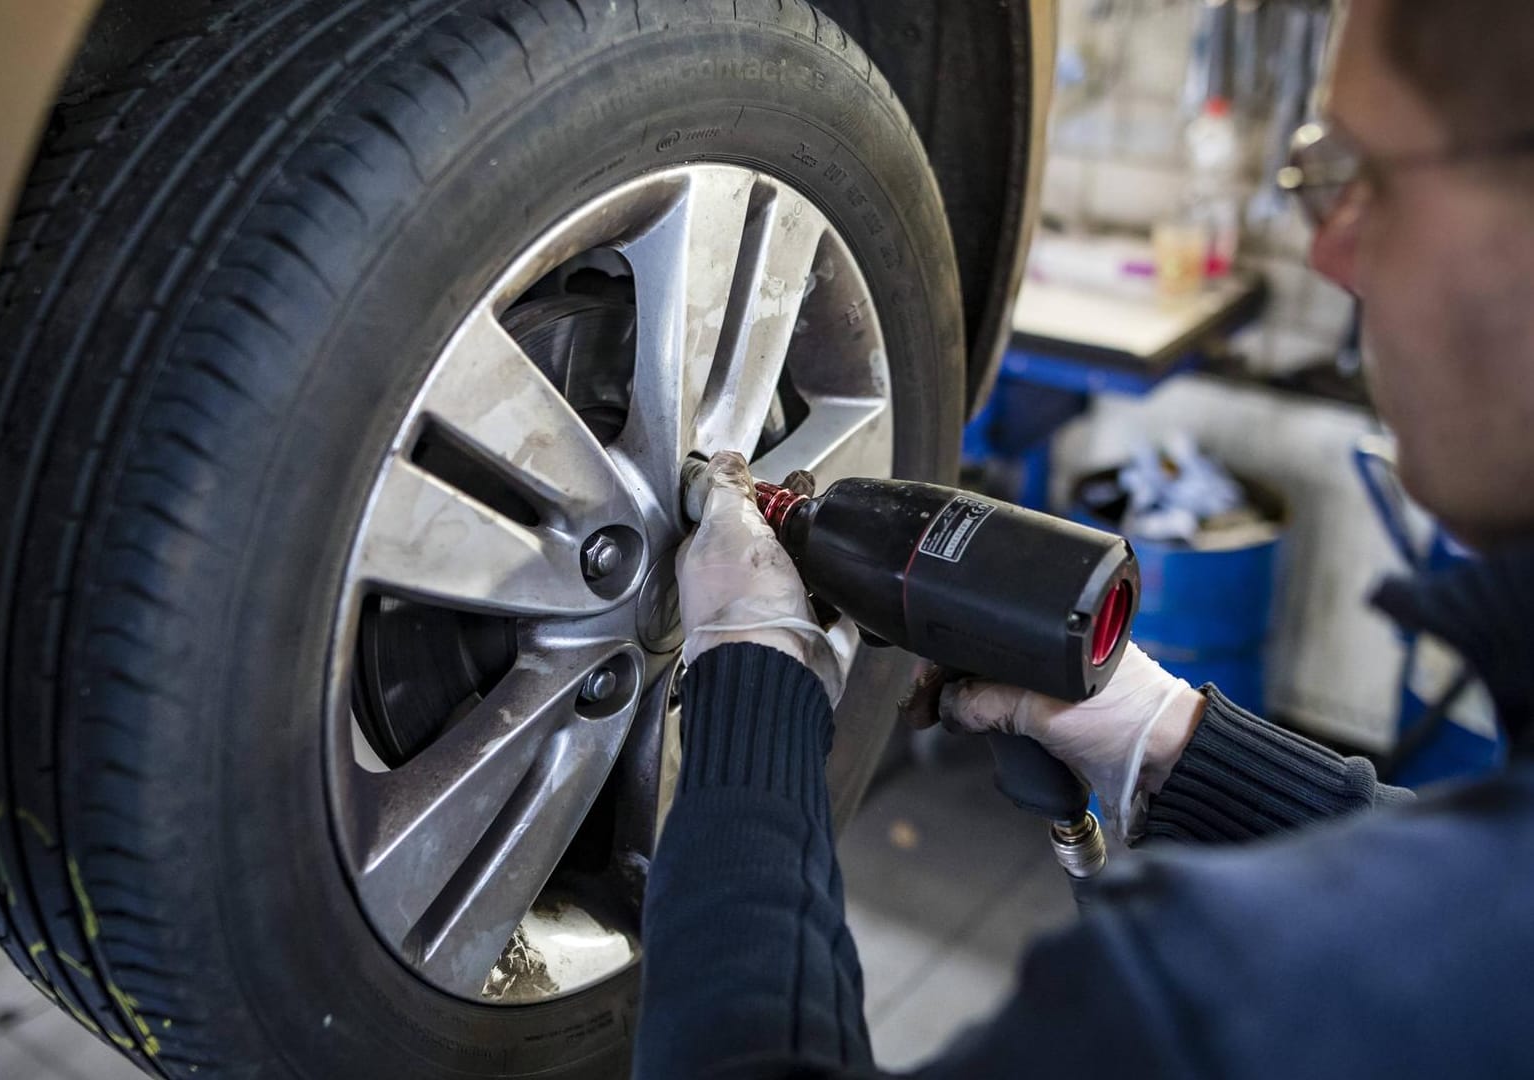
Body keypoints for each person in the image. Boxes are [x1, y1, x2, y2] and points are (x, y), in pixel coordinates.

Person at [632, 1, 1534, 1076]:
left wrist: (750, 689)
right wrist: (1166, 740)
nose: (1331, 252)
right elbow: (1453, 888)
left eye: (1366, 177)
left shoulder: (1205, 1001)